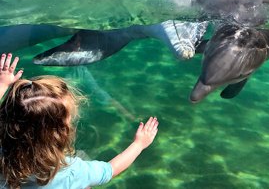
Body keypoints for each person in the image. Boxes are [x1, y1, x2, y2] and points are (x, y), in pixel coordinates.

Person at [0, 53, 159, 188]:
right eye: (69, 120)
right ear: (60, 132)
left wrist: (2, 84)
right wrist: (139, 144)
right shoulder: (71, 171)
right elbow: (110, 170)